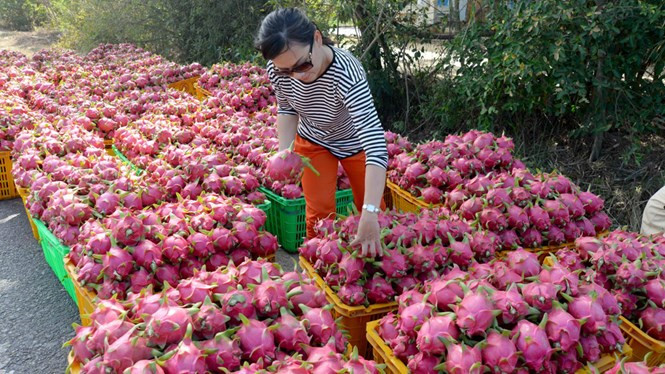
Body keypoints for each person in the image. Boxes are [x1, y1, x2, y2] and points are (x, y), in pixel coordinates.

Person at [255, 8, 388, 257]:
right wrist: (285, 153)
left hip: (355, 142)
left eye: (303, 64)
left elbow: (375, 146)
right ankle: (321, 262)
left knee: (373, 213)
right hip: (313, 140)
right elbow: (286, 109)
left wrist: (370, 212)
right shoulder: (277, 69)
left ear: (316, 38)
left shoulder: (347, 72)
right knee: (318, 215)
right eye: (287, 71)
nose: (298, 75)